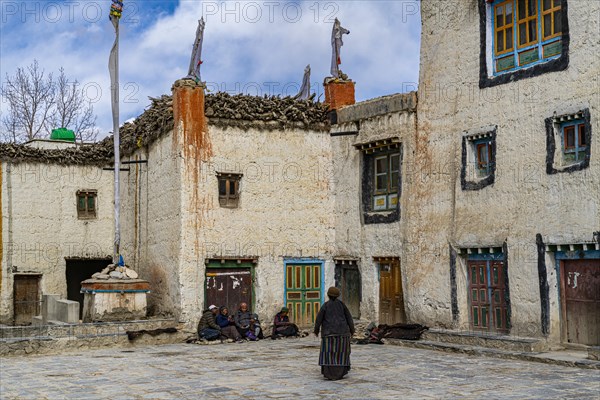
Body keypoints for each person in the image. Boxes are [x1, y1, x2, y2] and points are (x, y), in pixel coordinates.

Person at [314, 287, 355, 380]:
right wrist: (352, 330)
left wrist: (316, 330)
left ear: (328, 295)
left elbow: (318, 319)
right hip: (342, 334)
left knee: (328, 353)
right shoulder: (342, 305)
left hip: (328, 334)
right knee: (341, 353)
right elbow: (349, 318)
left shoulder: (325, 306)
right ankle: (340, 372)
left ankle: (329, 373)